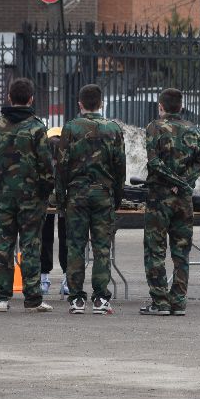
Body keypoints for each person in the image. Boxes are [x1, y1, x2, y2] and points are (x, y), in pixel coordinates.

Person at [0, 78, 55, 313]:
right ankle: (32, 298)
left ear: (9, 98)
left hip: (2, 196)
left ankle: (0, 297)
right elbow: (46, 166)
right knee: (31, 245)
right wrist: (44, 192)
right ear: (31, 99)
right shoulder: (36, 128)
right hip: (31, 198)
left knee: (3, 246)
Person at [56, 83, 126, 315]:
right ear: (101, 103)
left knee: (75, 246)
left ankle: (76, 298)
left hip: (76, 195)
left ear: (80, 104)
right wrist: (117, 197)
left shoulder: (70, 128)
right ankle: (100, 298)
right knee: (102, 248)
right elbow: (120, 168)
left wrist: (60, 198)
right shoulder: (113, 129)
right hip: (103, 194)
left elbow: (62, 166)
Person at [140, 88, 200, 316]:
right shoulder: (192, 129)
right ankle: (178, 301)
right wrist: (184, 182)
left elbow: (154, 163)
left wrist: (173, 181)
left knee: (155, 250)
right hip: (183, 199)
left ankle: (160, 301)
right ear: (181, 106)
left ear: (161, 106)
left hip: (159, 197)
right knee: (181, 251)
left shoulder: (154, 127)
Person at [40, 127, 68, 297]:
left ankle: (46, 278)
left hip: (57, 199)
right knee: (62, 237)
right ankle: (64, 278)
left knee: (49, 236)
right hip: (55, 199)